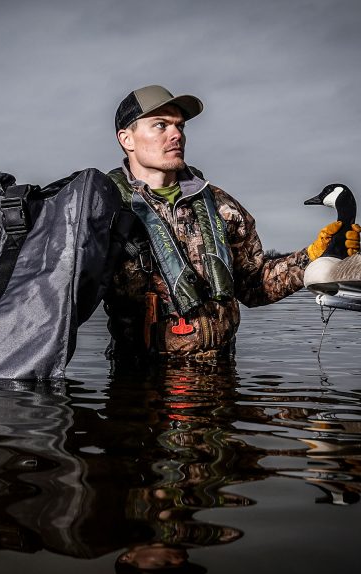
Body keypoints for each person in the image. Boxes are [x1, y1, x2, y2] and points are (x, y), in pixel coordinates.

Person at [104, 85, 360, 365]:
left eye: (180, 126)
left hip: (223, 377)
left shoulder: (221, 204)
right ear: (127, 139)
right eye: (161, 125)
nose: (177, 134)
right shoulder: (105, 208)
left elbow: (254, 285)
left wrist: (314, 255)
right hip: (140, 387)